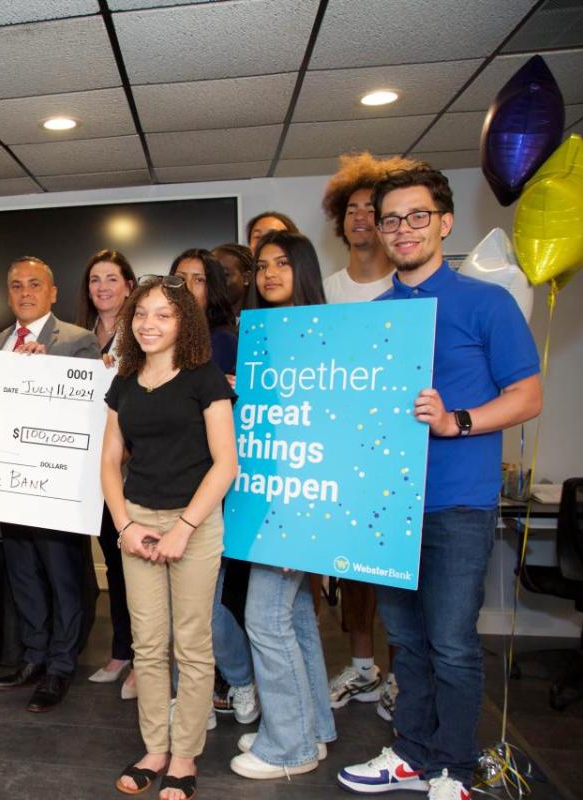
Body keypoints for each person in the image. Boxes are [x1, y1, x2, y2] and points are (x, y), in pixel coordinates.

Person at [338, 167, 542, 800]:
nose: (402, 229)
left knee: (452, 643)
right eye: (390, 219)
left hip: (457, 505)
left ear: (444, 223)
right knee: (406, 641)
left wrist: (457, 421)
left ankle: (455, 766)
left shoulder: (487, 303)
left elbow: (528, 396)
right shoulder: (374, 317)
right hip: (388, 506)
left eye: (416, 216)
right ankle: (411, 753)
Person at [104, 275, 237, 800]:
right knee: (149, 645)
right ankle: (154, 748)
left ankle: (185, 755)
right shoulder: (126, 376)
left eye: (163, 314)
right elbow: (110, 462)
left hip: (195, 523)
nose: (149, 323)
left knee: (193, 645)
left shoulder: (204, 376)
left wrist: (183, 529)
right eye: (141, 314)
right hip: (138, 519)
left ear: (184, 321)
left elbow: (226, 463)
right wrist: (126, 525)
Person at [230, 231, 337, 781]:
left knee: (265, 620)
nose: (270, 273)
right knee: (294, 620)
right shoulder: (261, 335)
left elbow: (324, 432)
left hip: (298, 503)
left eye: (282, 264)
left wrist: (303, 521)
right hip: (262, 499)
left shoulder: (327, 335)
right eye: (262, 265)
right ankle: (309, 729)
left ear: (305, 269)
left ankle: (287, 747)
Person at [320, 152, 419, 721]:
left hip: (399, 453)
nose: (362, 219)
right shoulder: (329, 290)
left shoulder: (408, 286)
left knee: (400, 580)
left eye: (371, 209)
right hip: (343, 456)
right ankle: (361, 666)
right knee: (354, 574)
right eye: (352, 210)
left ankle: (401, 677)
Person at [0, 257, 100, 712]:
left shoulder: (77, 340)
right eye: (16, 285)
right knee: (25, 579)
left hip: (57, 487)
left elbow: (90, 406)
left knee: (63, 579)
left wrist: (46, 368)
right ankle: (34, 657)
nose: (25, 292)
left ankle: (60, 667)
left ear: (53, 292)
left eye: (35, 284)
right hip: (10, 486)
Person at [168, 248, 258, 729]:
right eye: (178, 278)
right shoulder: (159, 338)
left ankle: (240, 680)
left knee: (203, 602)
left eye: (198, 279)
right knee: (178, 605)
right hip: (166, 485)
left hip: (212, 487)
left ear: (213, 288)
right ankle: (191, 698)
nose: (186, 287)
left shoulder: (224, 340)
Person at [75, 249, 138, 697]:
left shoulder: (143, 332)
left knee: (135, 567)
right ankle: (120, 650)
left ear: (129, 286)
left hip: (135, 469)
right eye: (95, 279)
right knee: (113, 568)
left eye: (112, 279)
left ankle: (144, 658)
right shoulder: (76, 337)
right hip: (87, 467)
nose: (103, 287)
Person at [211, 244, 253, 319]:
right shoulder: (201, 321)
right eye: (210, 275)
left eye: (223, 275)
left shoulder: (264, 320)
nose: (214, 281)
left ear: (246, 278)